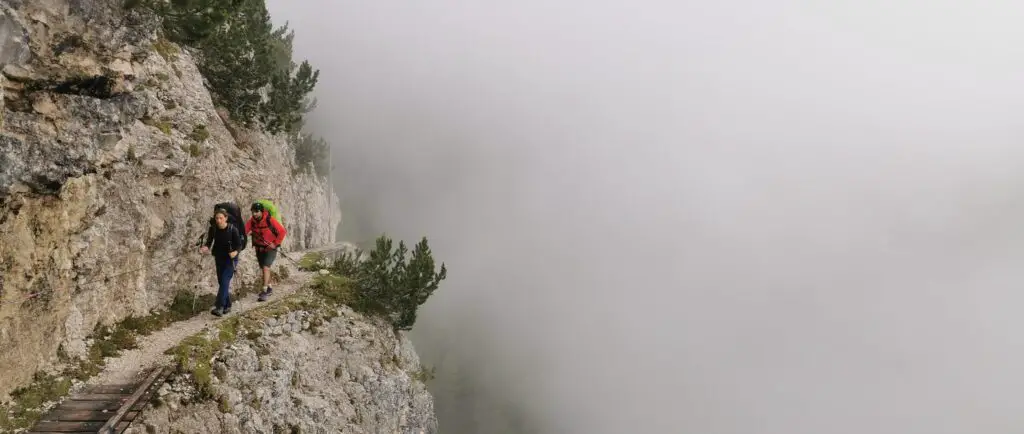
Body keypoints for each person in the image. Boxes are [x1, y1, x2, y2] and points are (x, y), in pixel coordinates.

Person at [199, 209, 241, 316]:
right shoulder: (213, 229)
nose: (218, 220)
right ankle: (228, 305)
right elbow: (209, 242)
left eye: (221, 218)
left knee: (224, 281)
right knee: (221, 282)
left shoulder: (232, 229)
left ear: (226, 218)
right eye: (217, 218)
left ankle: (219, 307)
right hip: (219, 257)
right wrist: (205, 248)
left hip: (230, 260)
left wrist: (235, 252)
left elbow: (239, 245)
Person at [245, 201, 287, 302]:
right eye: (253, 212)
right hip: (259, 247)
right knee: (263, 268)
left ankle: (264, 291)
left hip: (271, 248)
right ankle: (269, 288)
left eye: (257, 211)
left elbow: (282, 231)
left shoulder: (269, 220)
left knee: (265, 267)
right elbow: (245, 230)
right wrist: (247, 233)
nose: (254, 214)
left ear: (262, 211)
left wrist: (275, 243)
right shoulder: (252, 221)